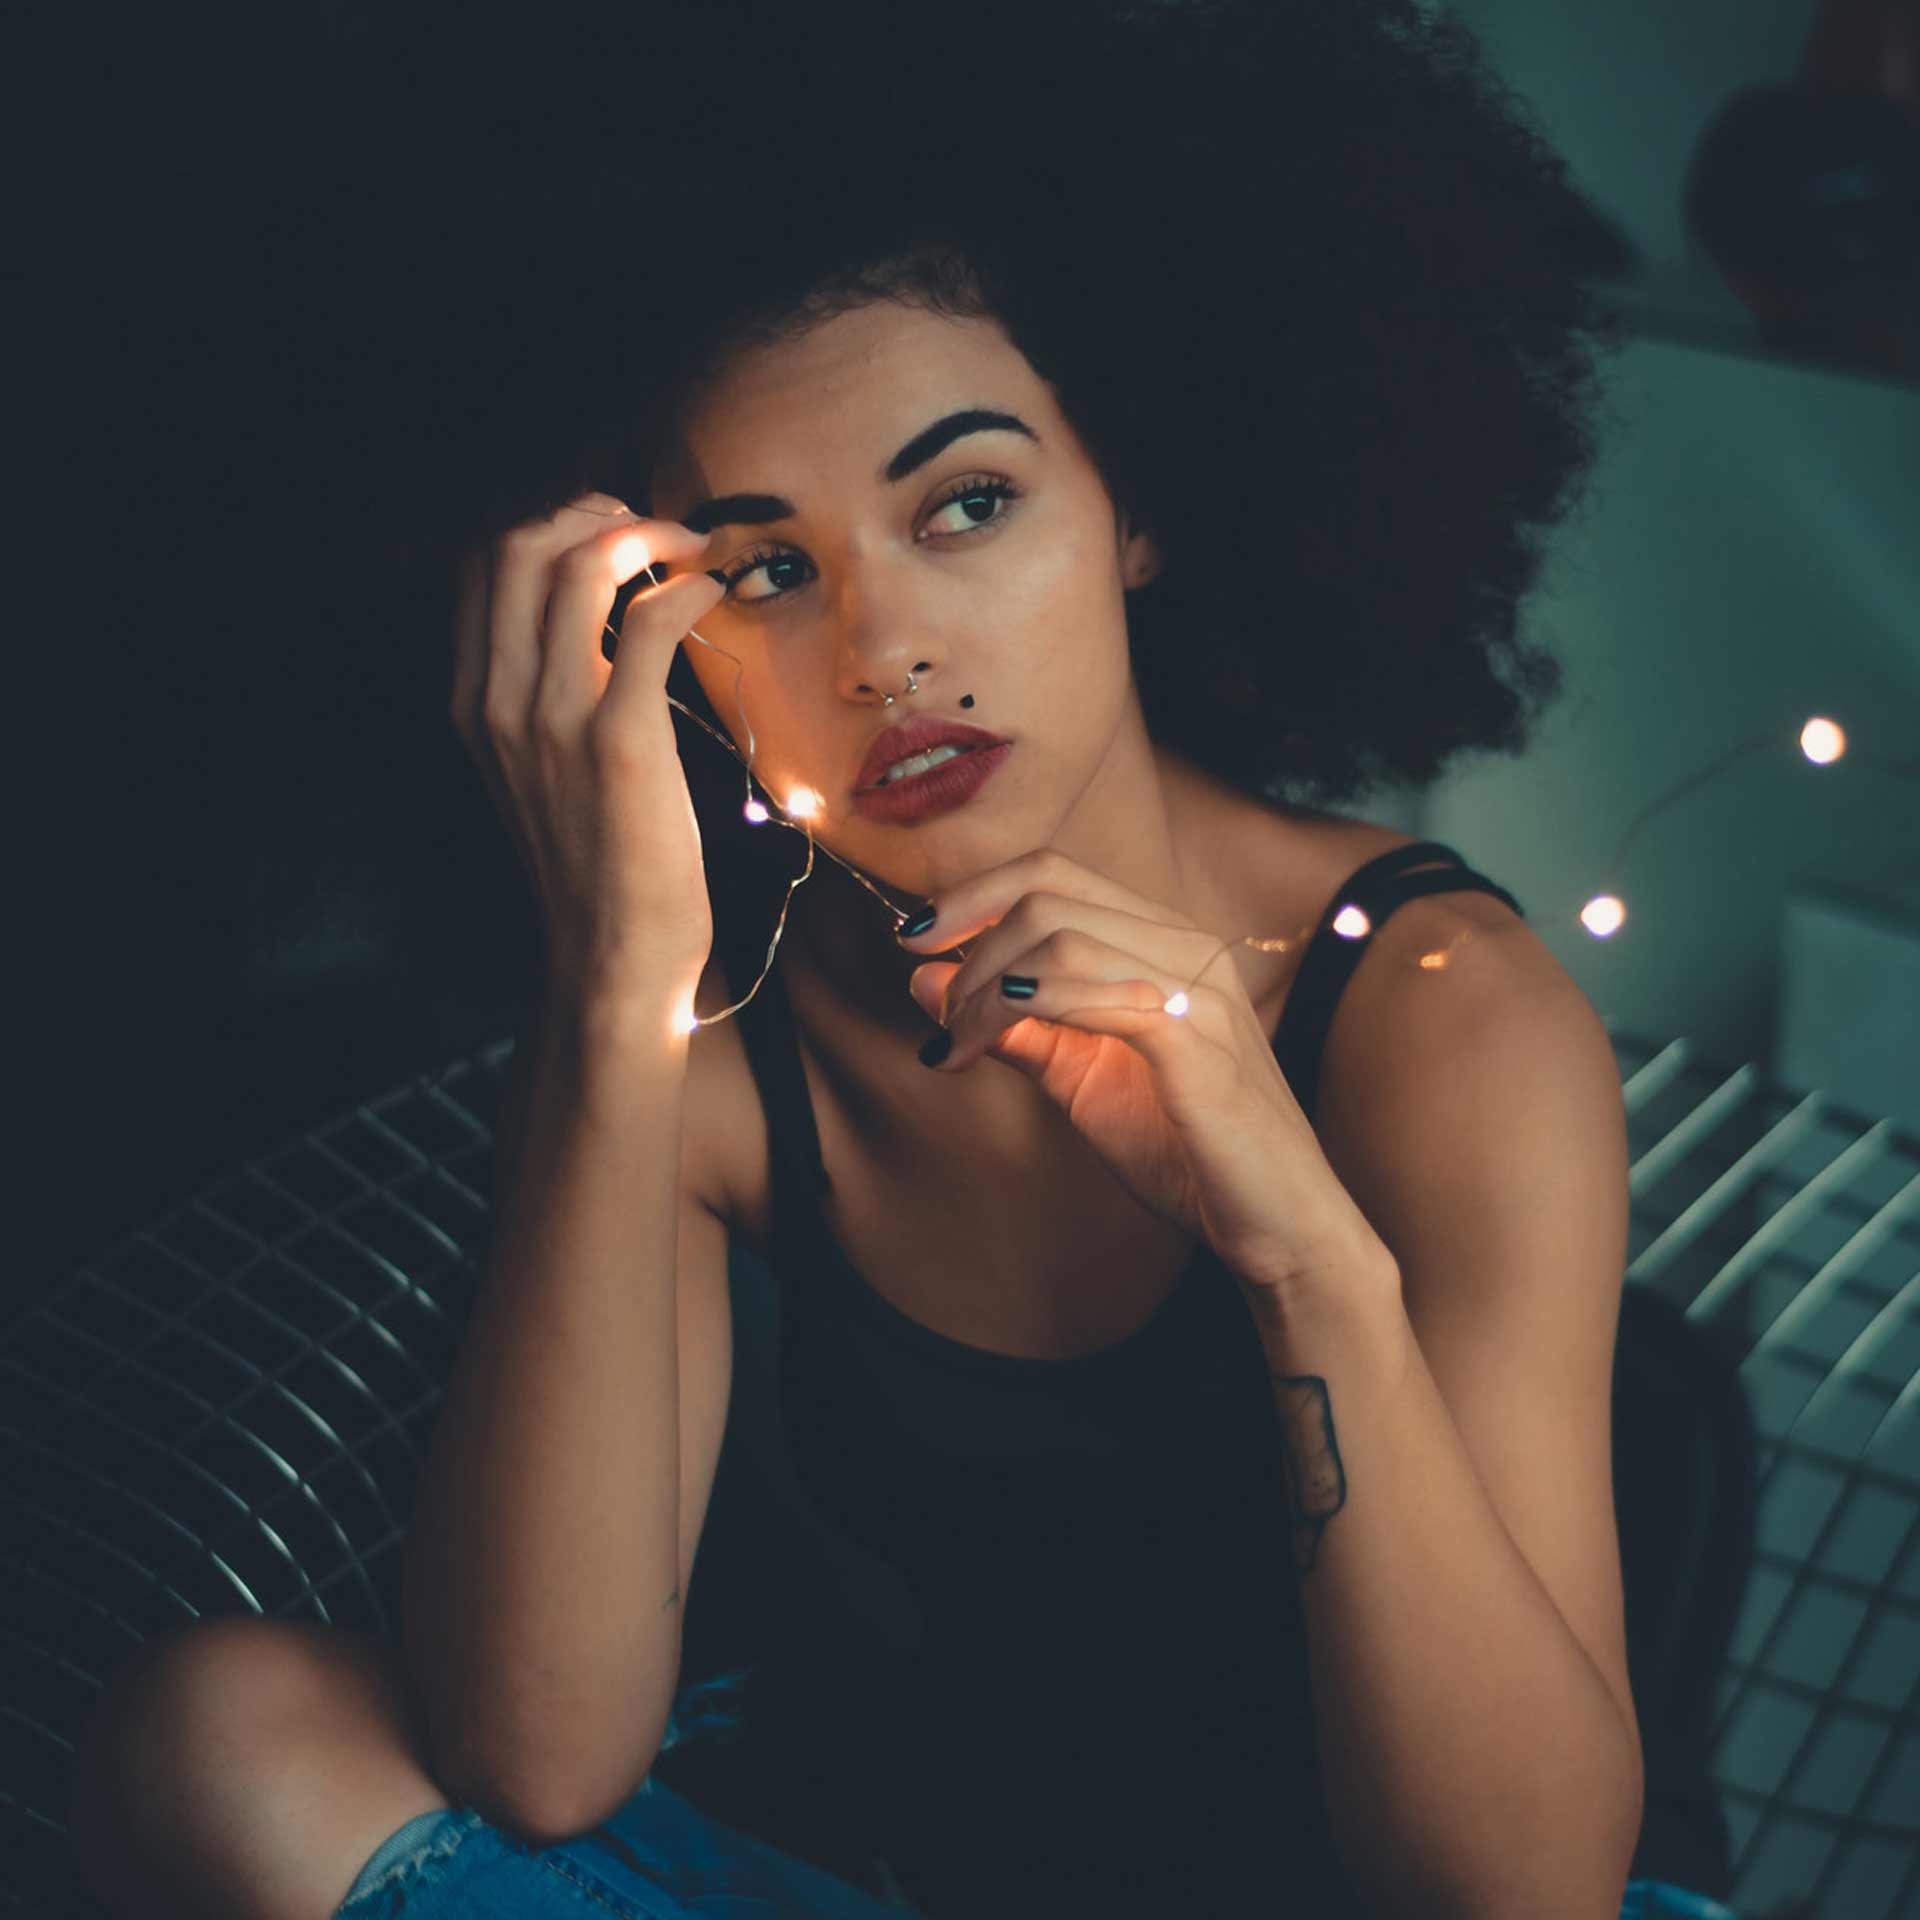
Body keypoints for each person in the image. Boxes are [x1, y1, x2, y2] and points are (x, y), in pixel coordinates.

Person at [67, 1, 1752, 1915]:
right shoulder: (724, 1018)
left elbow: (1521, 1890)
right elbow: (538, 1756)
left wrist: (1298, 1250)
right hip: (922, 1867)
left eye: (967, 503)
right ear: (647, 632)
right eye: (763, 567)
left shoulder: (1438, 1013)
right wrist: (617, 994)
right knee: (221, 1732)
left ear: (1144, 502)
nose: (884, 648)